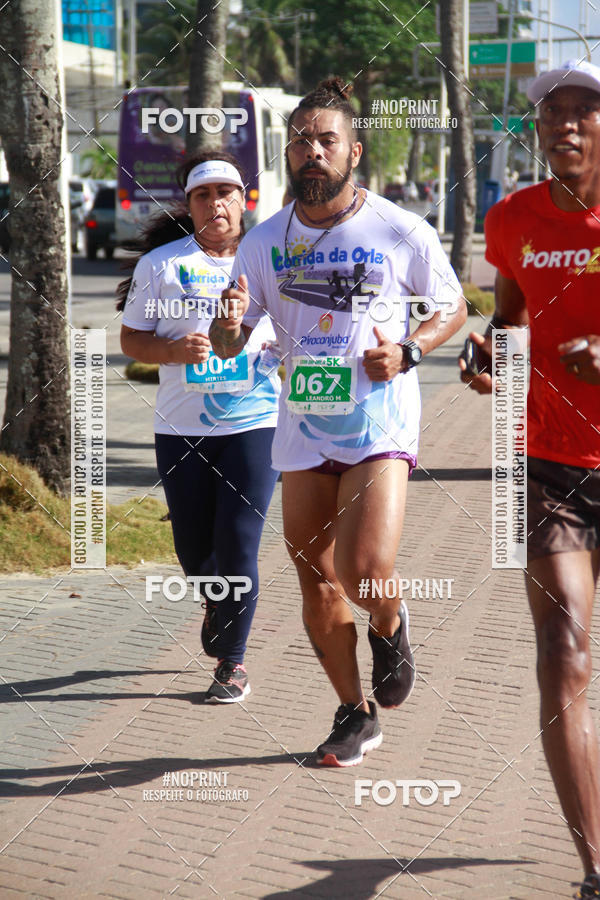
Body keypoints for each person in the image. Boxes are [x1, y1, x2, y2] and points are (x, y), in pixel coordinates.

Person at [210, 77, 467, 765]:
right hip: (301, 426)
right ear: (287, 154)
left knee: (362, 569)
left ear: (353, 150)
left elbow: (452, 306)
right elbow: (235, 341)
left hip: (376, 426)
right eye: (301, 141)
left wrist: (410, 349)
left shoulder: (396, 228)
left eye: (327, 140)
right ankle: (355, 714)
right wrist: (228, 323)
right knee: (314, 575)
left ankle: (390, 620)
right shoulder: (263, 242)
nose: (313, 152)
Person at [458, 59, 600, 899]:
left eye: (585, 111)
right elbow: (506, 316)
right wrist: (488, 353)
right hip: (546, 465)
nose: (568, 125)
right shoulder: (510, 217)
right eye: (554, 112)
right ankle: (594, 864)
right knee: (565, 650)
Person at [118, 150, 281, 703]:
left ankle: (232, 662)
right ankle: (215, 599)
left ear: (244, 200)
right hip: (181, 426)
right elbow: (131, 340)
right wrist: (170, 349)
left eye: (226, 193)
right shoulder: (160, 266)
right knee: (194, 550)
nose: (217, 204)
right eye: (203, 195)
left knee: (238, 545)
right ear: (189, 206)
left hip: (255, 423)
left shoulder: (272, 260)